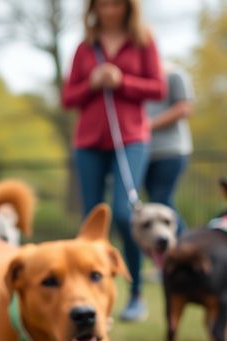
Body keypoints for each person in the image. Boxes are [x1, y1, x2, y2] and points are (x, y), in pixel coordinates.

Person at [62, 0, 165, 322]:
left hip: (130, 139)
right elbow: (68, 97)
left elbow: (158, 88)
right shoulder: (85, 48)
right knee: (92, 221)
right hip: (89, 141)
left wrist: (123, 81)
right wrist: (91, 83)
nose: (109, 8)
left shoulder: (143, 42)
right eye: (102, 3)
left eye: (115, 3)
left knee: (124, 212)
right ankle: (90, 298)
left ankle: (135, 294)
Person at [144, 64, 193, 231]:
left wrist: (147, 125)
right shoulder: (138, 79)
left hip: (171, 150)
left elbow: (184, 108)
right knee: (154, 204)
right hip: (143, 151)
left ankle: (186, 248)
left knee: (161, 201)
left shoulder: (173, 75)